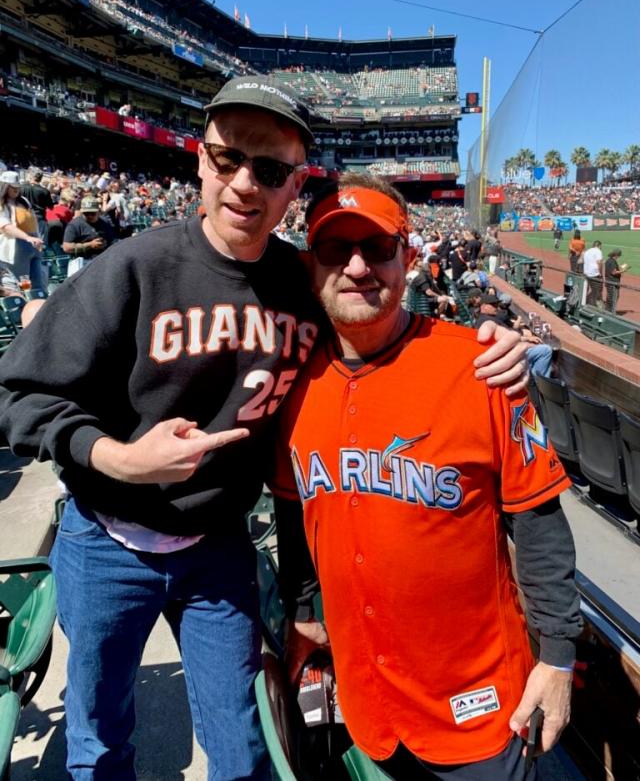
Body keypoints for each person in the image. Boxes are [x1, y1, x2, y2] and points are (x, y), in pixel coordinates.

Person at [0, 79, 529, 780]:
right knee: (99, 745)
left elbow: (391, 326)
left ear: (294, 186)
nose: (245, 184)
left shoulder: (303, 282)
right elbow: (20, 392)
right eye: (227, 160)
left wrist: (506, 344)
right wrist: (119, 458)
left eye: (270, 170)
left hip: (217, 548)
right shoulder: (133, 266)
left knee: (243, 747)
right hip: (106, 540)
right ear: (199, 160)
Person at [271, 174, 581, 780]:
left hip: (481, 709)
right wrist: (303, 606)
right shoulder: (293, 385)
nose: (358, 266)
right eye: (337, 248)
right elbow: (291, 509)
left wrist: (560, 659)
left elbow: (539, 520)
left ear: (408, 259)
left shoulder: (482, 367)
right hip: (369, 704)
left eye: (378, 248)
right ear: (312, 265)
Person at [0, 171, 47, 292]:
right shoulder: (2, 204)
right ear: (5, 187)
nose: (16, 189)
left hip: (33, 247)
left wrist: (36, 238)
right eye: (13, 187)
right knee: (23, 284)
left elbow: (33, 222)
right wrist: (27, 238)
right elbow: (6, 227)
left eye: (18, 187)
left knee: (38, 283)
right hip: (16, 249)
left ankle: (37, 302)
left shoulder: (24, 201)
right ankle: (23, 305)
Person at [582, 239, 603, 307]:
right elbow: (599, 262)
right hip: (594, 273)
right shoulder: (598, 251)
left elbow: (583, 260)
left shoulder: (587, 251)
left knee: (588, 288)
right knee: (597, 290)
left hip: (586, 273)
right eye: (601, 246)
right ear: (599, 246)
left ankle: (586, 301)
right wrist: (600, 272)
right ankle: (594, 305)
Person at [604, 248, 624, 313]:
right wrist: (623, 271)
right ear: (616, 255)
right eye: (619, 255)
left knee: (610, 297)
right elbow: (613, 272)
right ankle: (611, 312)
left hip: (609, 281)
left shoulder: (608, 260)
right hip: (613, 282)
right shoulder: (612, 261)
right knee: (613, 297)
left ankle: (607, 311)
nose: (619, 257)